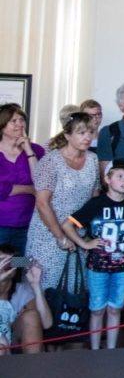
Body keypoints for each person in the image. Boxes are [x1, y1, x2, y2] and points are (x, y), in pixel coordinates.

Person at [62, 160, 124, 350]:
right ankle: (96, 349)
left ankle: (111, 349)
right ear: (108, 179)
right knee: (97, 310)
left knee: (115, 309)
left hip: (123, 267)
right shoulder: (96, 204)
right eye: (120, 176)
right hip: (97, 267)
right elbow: (67, 225)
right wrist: (84, 243)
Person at [24, 113, 99, 291]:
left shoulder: (93, 159)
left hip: (78, 232)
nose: (87, 137)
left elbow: (95, 197)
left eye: (90, 132)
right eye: (81, 132)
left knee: (75, 289)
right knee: (44, 286)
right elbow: (42, 203)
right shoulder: (51, 161)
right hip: (48, 234)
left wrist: (87, 231)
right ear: (67, 135)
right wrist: (61, 237)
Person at [0, 104, 44, 253]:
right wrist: (28, 189)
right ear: (2, 125)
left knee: (21, 265)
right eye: (14, 121)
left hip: (28, 224)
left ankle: (19, 275)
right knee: (2, 267)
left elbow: (40, 181)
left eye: (22, 120)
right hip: (1, 225)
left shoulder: (36, 150)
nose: (20, 124)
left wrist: (28, 150)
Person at [0, 246, 53, 355]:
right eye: (1, 260)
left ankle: (33, 368)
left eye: (10, 262)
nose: (5, 265)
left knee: (31, 315)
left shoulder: (22, 290)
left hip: (13, 339)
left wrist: (36, 285)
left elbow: (46, 323)